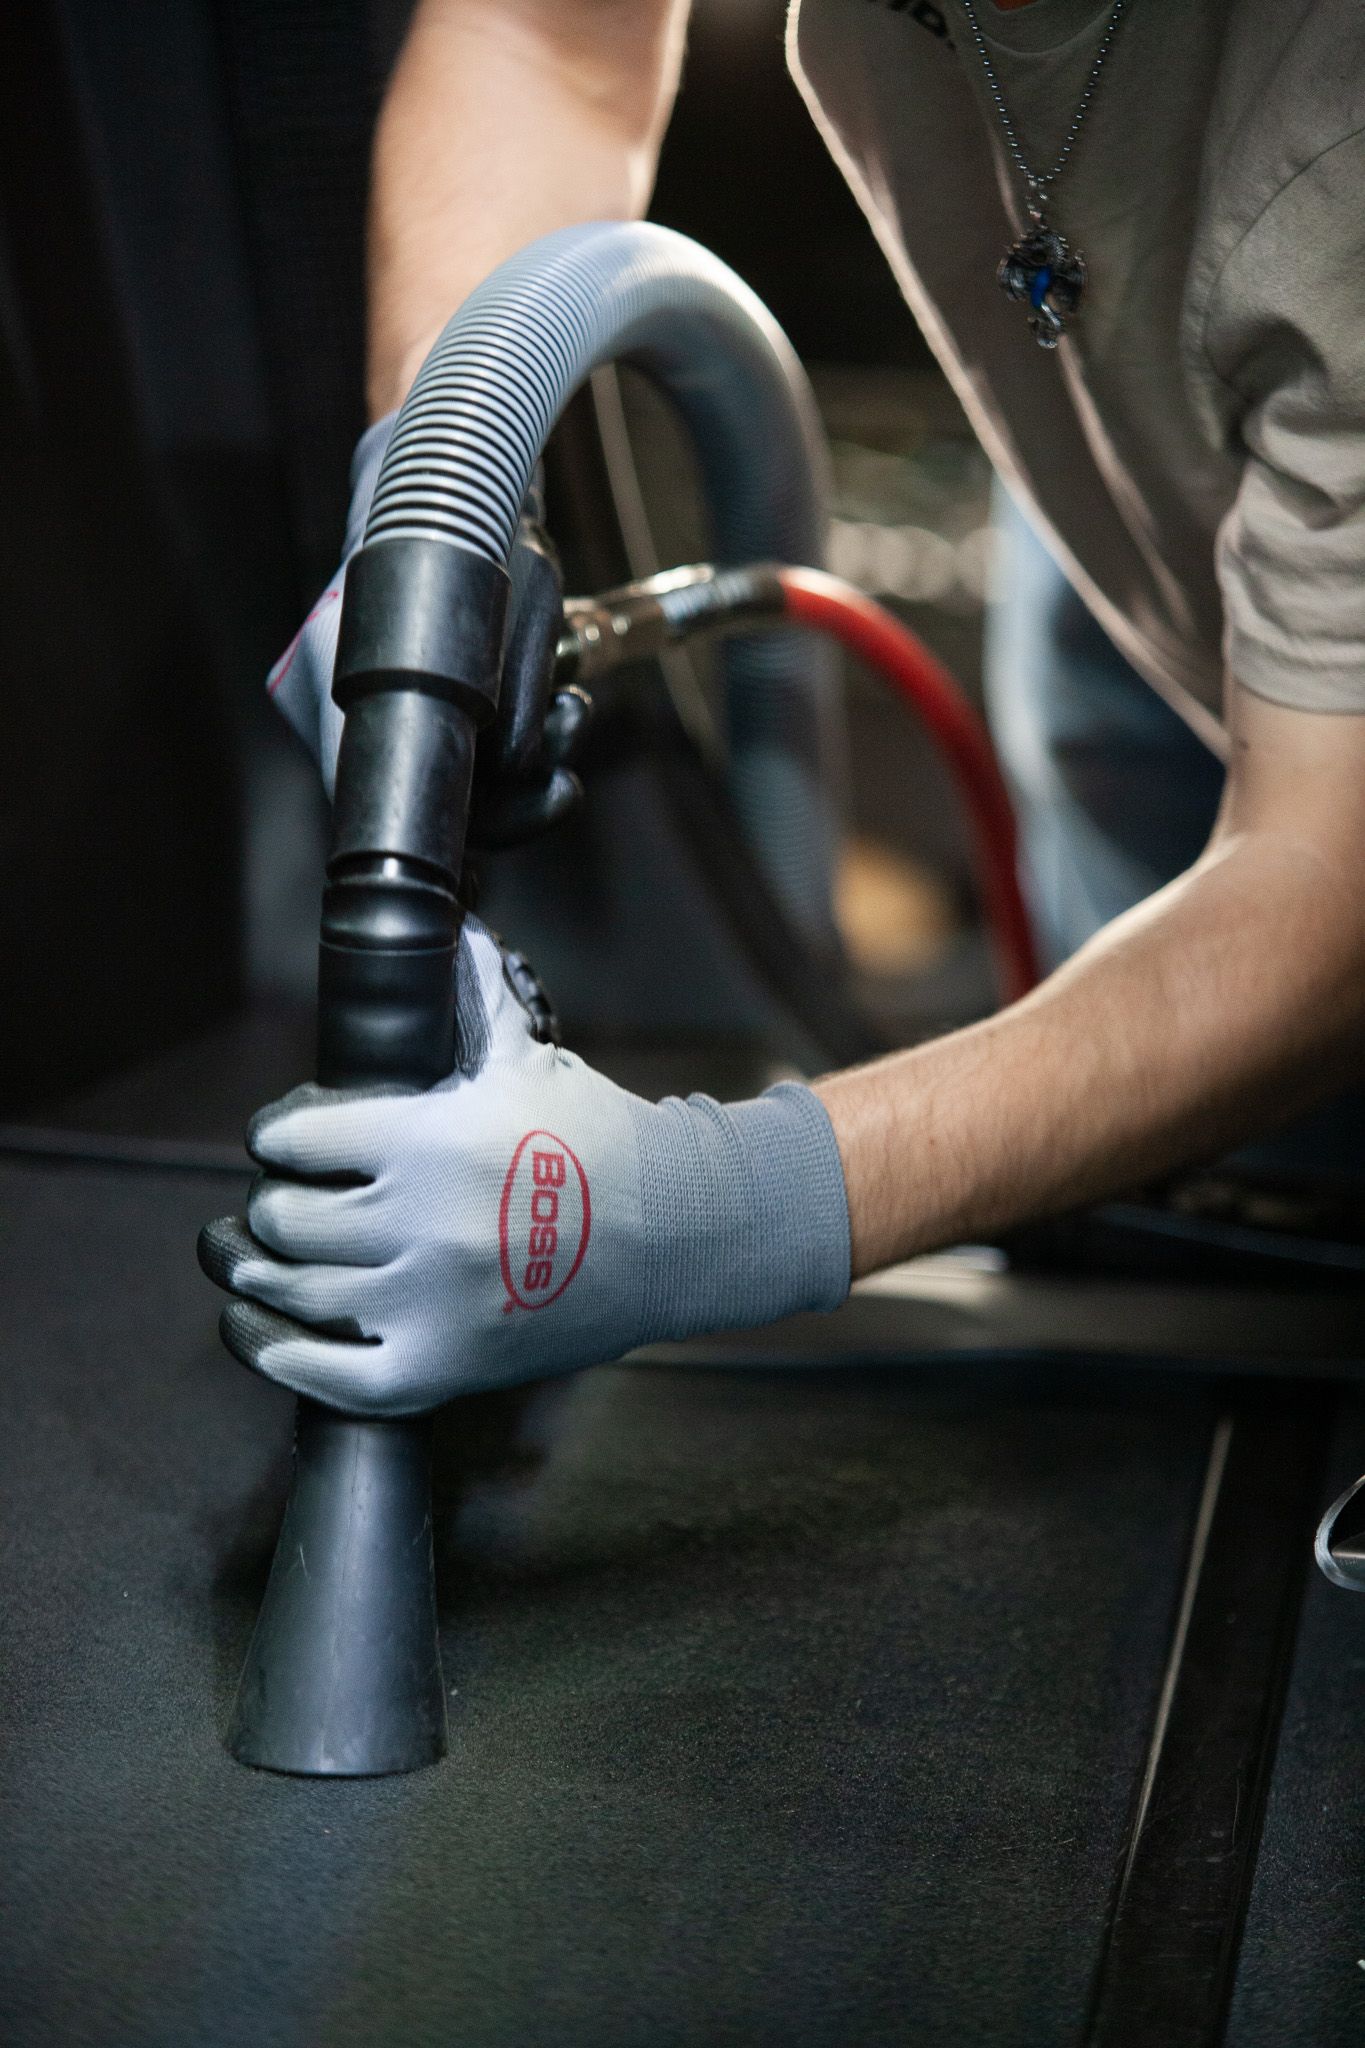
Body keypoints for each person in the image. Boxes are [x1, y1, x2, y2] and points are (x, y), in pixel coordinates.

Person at [200, 0, 1365, 1417]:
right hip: (1209, 493)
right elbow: (549, 39)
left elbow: (1325, 890)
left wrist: (698, 1211)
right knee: (1124, 897)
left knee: (1283, 1313)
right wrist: (436, 504)